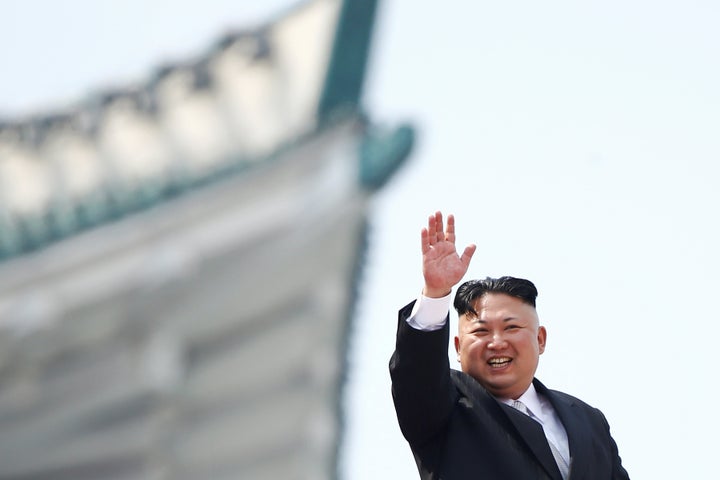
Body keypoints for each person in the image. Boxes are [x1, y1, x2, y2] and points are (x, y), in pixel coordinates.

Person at [389, 211, 629, 479]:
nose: (496, 342)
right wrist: (435, 294)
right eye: (481, 331)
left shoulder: (588, 420)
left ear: (540, 339)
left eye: (511, 327)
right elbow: (417, 376)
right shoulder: (446, 407)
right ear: (458, 348)